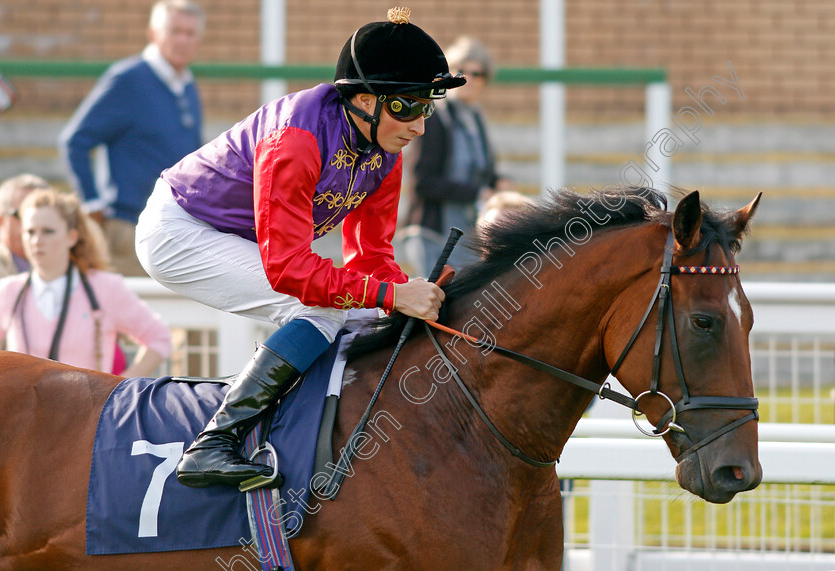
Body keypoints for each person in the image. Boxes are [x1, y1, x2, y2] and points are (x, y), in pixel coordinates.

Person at [135, 7, 465, 488]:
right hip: (179, 230)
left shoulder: (385, 156)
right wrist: (394, 296)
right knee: (321, 311)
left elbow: (370, 259)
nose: (418, 125)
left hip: (238, 238)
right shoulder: (295, 140)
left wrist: (411, 297)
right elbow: (290, 271)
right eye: (405, 107)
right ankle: (213, 445)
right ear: (364, 100)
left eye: (426, 108)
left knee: (366, 315)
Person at [59, 0, 205, 277]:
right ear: (153, 33)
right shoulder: (128, 79)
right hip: (128, 230)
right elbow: (74, 141)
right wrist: (91, 203)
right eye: (175, 31)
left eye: (190, 33)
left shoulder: (186, 83)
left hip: (178, 227)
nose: (183, 40)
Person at [0, 190, 172, 378]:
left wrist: (119, 389)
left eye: (48, 231)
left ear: (72, 237)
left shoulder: (105, 288)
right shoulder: (9, 291)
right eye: (30, 232)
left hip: (89, 407)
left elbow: (159, 339)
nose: (37, 241)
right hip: (25, 407)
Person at [401, 36, 512, 276]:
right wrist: (476, 192)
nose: (469, 80)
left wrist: (498, 183)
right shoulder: (435, 117)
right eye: (462, 72)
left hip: (466, 233)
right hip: (433, 234)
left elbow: (483, 171)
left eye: (477, 74)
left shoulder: (476, 119)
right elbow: (422, 182)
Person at [0, 174, 53, 284]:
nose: (34, 223)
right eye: (23, 213)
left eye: (44, 215)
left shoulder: (76, 270)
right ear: (1, 221)